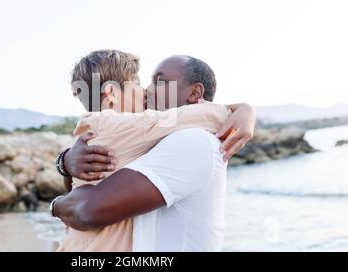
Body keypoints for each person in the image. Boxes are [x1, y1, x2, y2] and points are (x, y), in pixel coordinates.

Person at [54, 51, 256, 251]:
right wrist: (239, 110)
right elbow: (87, 203)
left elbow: (87, 206)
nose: (147, 91)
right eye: (140, 83)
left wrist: (57, 201)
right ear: (112, 94)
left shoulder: (193, 141)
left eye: (159, 82)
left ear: (194, 93)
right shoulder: (137, 131)